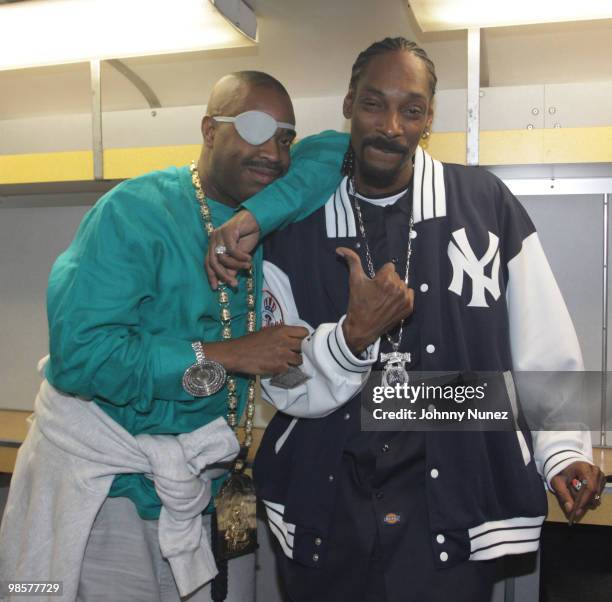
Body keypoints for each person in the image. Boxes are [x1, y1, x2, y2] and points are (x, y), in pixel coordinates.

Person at [204, 39, 606, 602]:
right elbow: (281, 380)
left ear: (429, 119)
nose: (391, 125)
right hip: (329, 508)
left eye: (411, 109)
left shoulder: (485, 205)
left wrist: (562, 449)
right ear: (348, 104)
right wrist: (350, 340)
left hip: (454, 506)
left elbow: (545, 345)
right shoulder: (297, 229)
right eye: (373, 104)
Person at [0, 71, 354, 602]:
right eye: (255, 129)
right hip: (114, 492)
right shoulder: (133, 213)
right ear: (210, 130)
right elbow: (83, 358)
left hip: (207, 486)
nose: (276, 154)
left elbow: (341, 149)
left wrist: (258, 216)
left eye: (285, 136)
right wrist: (229, 356)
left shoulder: (259, 212)